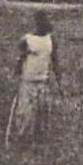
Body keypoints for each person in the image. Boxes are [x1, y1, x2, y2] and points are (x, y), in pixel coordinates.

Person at [11, 11, 59, 141]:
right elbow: (20, 58)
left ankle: (39, 136)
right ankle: (22, 136)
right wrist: (17, 73)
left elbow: (55, 61)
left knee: (42, 109)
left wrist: (58, 79)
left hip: (42, 80)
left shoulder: (51, 40)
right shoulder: (28, 39)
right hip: (28, 79)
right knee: (25, 111)